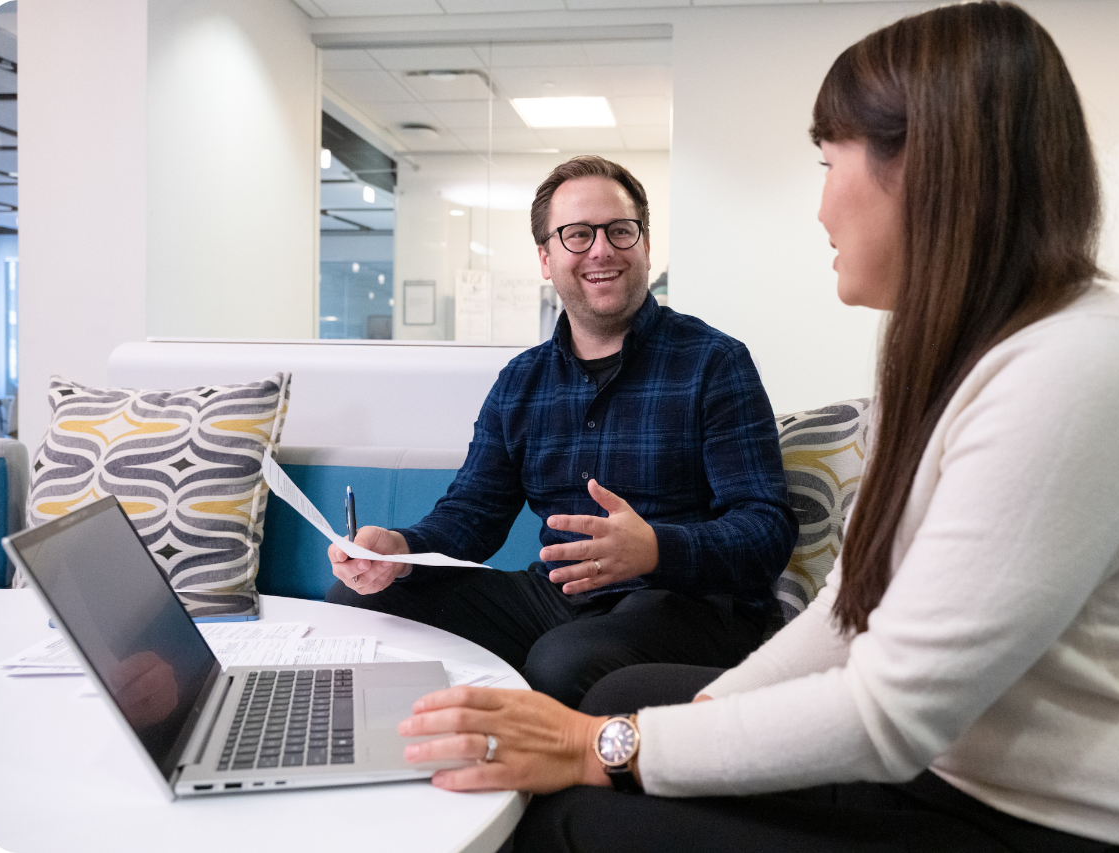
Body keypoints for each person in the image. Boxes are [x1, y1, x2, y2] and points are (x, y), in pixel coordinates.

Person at [385, 3, 1119, 851]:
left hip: (1097, 818)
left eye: (826, 164)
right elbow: (852, 611)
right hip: (964, 768)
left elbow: (887, 707)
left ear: (930, 168)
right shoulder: (972, 359)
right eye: (577, 236)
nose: (818, 208)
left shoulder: (1076, 370)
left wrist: (603, 748)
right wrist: (695, 725)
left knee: (576, 809)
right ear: (547, 257)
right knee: (627, 693)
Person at [325, 155, 798, 708]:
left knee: (563, 660)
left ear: (645, 247)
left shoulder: (714, 362)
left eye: (620, 231)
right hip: (559, 598)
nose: (601, 249)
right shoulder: (522, 381)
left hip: (684, 602)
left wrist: (655, 549)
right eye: (577, 235)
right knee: (357, 603)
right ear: (546, 259)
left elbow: (765, 528)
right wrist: (402, 551)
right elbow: (472, 515)